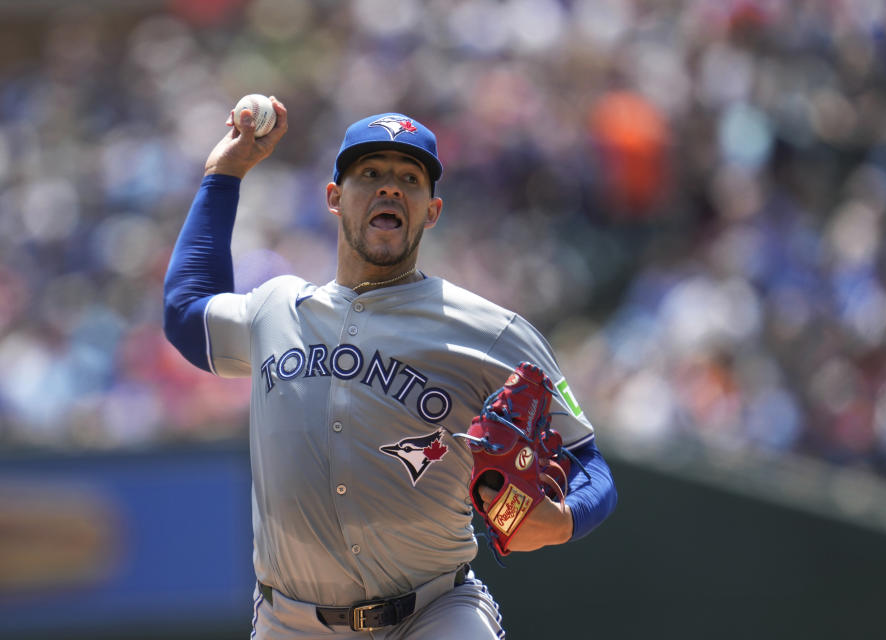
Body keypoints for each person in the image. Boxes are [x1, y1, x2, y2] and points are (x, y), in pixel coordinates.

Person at [163, 99, 618, 639]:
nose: (390, 187)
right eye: (370, 173)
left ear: (432, 209)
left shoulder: (488, 331)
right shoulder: (275, 308)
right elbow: (186, 312)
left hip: (433, 614)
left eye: (409, 177)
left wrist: (565, 520)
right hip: (291, 622)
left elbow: (589, 462)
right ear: (335, 197)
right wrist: (226, 173)